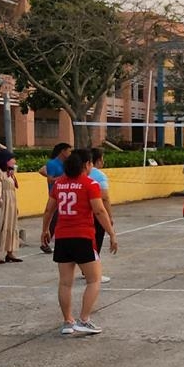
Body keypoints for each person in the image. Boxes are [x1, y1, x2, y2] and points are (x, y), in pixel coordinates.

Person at [42, 148, 117, 335]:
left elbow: (49, 210)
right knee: (94, 279)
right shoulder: (90, 184)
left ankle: (68, 321)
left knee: (65, 283)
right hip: (83, 236)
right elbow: (99, 211)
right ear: (86, 165)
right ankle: (84, 319)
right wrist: (111, 233)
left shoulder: (59, 184)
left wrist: (45, 230)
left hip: (62, 237)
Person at [38, 142, 72, 253]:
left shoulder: (67, 163)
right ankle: (45, 242)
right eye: (68, 151)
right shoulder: (52, 164)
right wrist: (63, 177)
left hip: (65, 194)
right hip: (55, 194)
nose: (70, 153)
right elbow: (50, 179)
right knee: (53, 219)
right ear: (63, 151)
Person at [87, 148, 113, 284]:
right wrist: (109, 216)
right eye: (102, 158)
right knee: (96, 242)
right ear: (97, 160)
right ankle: (93, 273)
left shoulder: (79, 175)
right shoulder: (100, 176)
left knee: (88, 242)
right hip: (96, 213)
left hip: (84, 214)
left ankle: (86, 271)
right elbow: (105, 198)